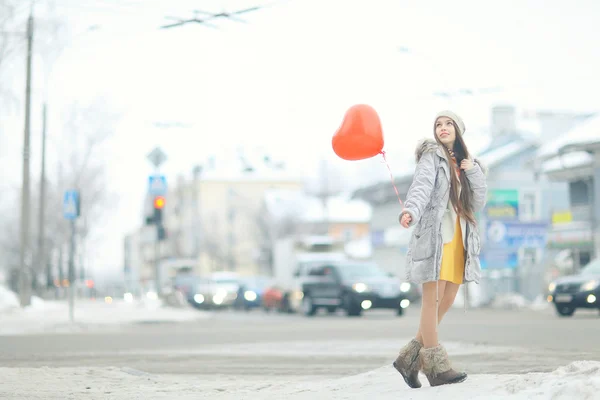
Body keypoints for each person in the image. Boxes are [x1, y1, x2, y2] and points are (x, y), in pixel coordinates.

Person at [392, 110, 487, 388]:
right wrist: (410, 210)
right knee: (432, 299)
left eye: (448, 124)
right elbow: (421, 187)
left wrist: (474, 172)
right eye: (438, 124)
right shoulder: (431, 155)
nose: (443, 128)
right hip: (436, 234)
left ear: (459, 130)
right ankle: (434, 368)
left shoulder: (468, 163)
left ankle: (408, 360)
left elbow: (477, 202)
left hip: (460, 235)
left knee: (447, 299)